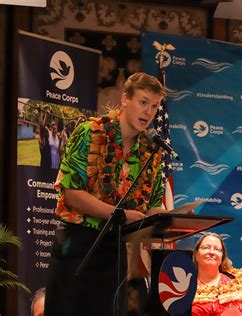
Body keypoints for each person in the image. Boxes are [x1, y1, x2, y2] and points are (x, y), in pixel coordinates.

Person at [44, 72, 167, 316]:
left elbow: (152, 205)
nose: (149, 112)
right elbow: (71, 194)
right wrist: (119, 214)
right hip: (77, 244)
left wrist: (172, 219)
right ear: (125, 100)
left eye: (155, 106)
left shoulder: (152, 150)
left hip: (115, 250)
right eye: (143, 102)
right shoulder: (89, 132)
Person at [192, 232, 242, 316]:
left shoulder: (239, 283)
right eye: (206, 247)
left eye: (217, 249)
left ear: (222, 256)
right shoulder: (186, 285)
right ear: (196, 254)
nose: (212, 252)